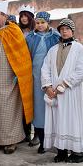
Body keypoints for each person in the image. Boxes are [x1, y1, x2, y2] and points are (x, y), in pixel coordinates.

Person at [0, 0, 33, 154]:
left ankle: (11, 141)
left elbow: (22, 56)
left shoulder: (14, 31)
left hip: (10, 78)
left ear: (5, 16)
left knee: (9, 111)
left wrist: (19, 75)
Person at [41, 18, 83, 163]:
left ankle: (77, 153)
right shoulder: (53, 49)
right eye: (62, 29)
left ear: (72, 31)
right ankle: (61, 151)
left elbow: (82, 70)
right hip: (54, 92)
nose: (64, 31)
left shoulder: (79, 48)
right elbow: (45, 68)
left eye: (67, 29)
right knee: (58, 121)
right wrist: (48, 86)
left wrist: (66, 84)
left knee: (71, 120)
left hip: (70, 92)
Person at [26, 12, 60, 154]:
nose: (40, 25)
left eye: (42, 22)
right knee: (39, 110)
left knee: (52, 108)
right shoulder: (30, 38)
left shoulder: (56, 37)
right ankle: (41, 140)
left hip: (52, 78)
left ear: (48, 23)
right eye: (37, 23)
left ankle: (54, 141)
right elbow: (25, 57)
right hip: (35, 77)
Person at [18, 4, 37, 145]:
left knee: (34, 103)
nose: (24, 18)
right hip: (20, 69)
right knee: (22, 103)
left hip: (34, 70)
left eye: (26, 16)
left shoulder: (36, 32)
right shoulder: (17, 31)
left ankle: (36, 133)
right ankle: (24, 133)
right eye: (22, 16)